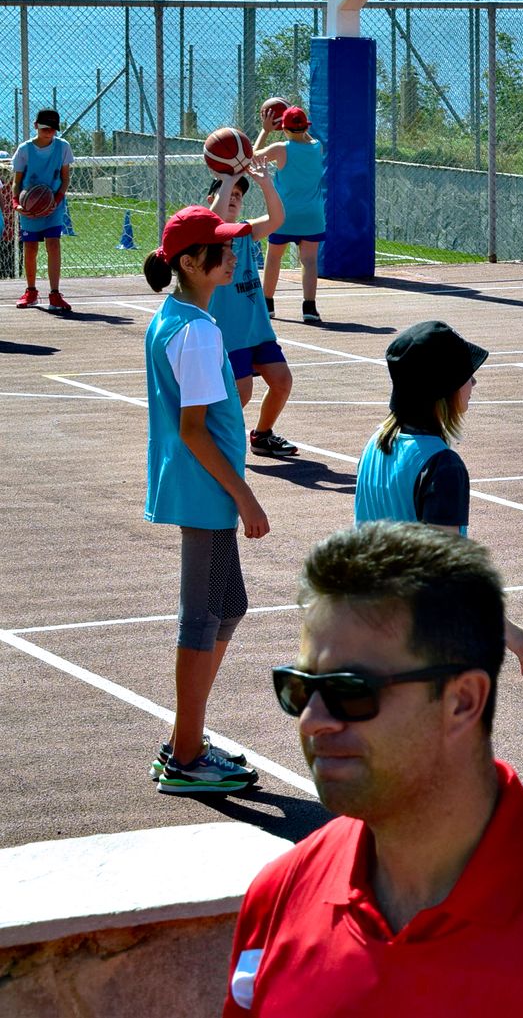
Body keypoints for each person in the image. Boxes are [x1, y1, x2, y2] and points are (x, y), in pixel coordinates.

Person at [225, 523, 523, 1015]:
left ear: (462, 701)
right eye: (298, 687)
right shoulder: (279, 895)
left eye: (351, 691)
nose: (313, 719)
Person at [143, 205, 269, 795]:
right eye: (222, 247)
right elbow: (194, 429)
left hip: (198, 485)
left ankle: (185, 736)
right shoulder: (196, 332)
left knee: (230, 605)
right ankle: (187, 754)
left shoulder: (177, 316)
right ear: (192, 263)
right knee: (202, 616)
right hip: (205, 489)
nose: (234, 252)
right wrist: (245, 496)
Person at [356, 320, 523, 676]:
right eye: (466, 376)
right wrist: (509, 633)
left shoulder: (376, 445)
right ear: (442, 390)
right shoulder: (442, 466)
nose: (474, 382)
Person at [204, 168, 298, 457]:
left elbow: (278, 219)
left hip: (256, 328)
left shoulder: (245, 232)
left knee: (282, 381)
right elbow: (215, 222)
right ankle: (207, 438)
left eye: (238, 196)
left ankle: (262, 435)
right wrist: (228, 178)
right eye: (227, 194)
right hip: (229, 332)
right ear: (212, 199)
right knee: (241, 392)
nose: (233, 198)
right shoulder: (208, 236)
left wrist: (266, 184)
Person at [259, 104, 327, 324]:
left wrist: (266, 130)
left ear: (283, 128)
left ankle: (267, 304)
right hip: (312, 215)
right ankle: (310, 307)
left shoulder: (280, 148)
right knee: (309, 260)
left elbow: (251, 158)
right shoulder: (318, 146)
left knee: (274, 257)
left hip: (284, 214)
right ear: (306, 126)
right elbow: (304, 138)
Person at [11, 108, 73, 312]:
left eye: (53, 129)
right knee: (30, 248)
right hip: (29, 205)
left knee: (53, 245)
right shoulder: (24, 149)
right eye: (45, 128)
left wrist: (56, 199)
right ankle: (31, 292)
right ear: (36, 126)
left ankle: (55, 294)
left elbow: (65, 178)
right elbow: (16, 182)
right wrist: (16, 204)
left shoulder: (63, 147)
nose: (49, 132)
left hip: (53, 204)